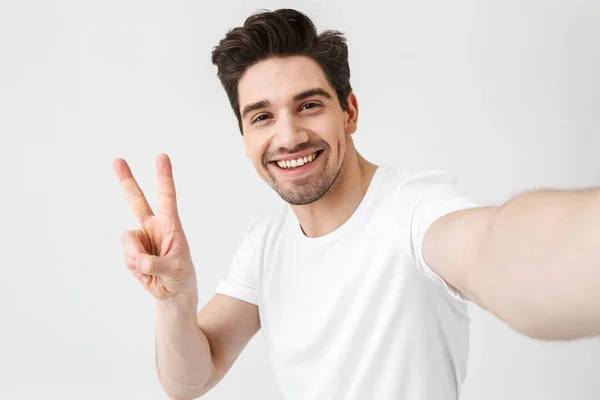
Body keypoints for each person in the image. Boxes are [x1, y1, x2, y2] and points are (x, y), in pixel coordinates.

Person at [113, 8, 600, 400]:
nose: (288, 136)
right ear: (245, 137)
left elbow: (497, 250)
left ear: (349, 112)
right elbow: (189, 380)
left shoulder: (414, 209)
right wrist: (176, 302)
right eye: (262, 116)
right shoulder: (266, 244)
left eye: (309, 105)